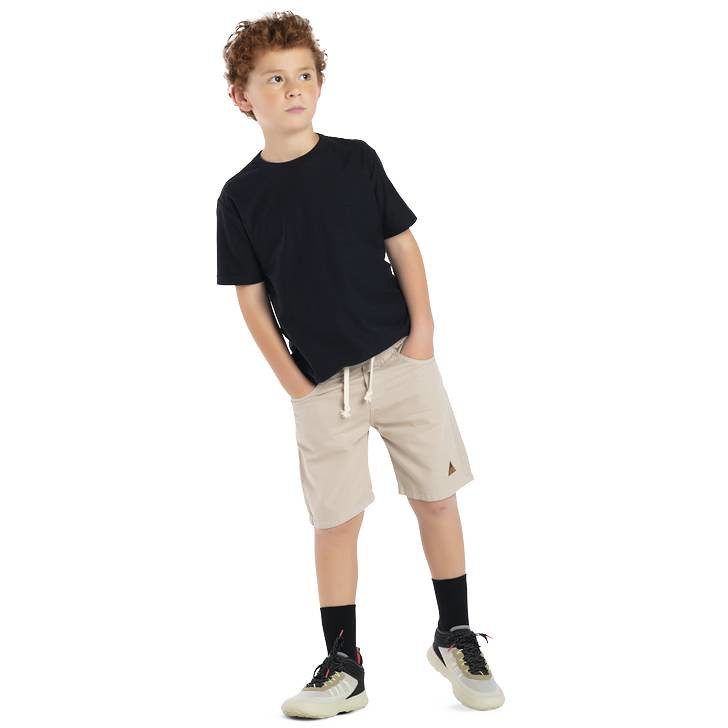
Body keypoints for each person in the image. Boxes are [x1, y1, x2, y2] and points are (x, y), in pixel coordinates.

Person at [216, 10, 505, 718]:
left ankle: (454, 634)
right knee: (336, 520)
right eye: (274, 79)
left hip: (401, 361)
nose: (293, 89)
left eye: (304, 75)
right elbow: (252, 299)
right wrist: (293, 382)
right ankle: (344, 663)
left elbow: (401, 244)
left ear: (320, 83)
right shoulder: (240, 197)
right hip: (321, 386)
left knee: (437, 497)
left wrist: (423, 334)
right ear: (241, 96)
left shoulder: (356, 160)